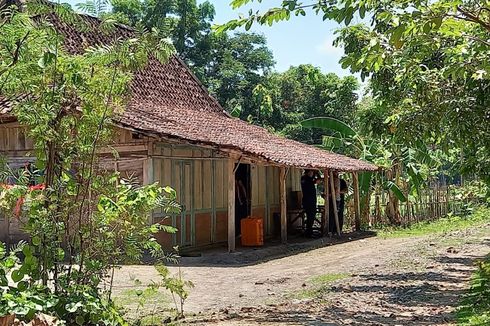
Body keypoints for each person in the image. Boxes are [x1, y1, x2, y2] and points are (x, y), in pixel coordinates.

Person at [301, 169, 319, 237]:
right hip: (309, 201)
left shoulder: (305, 178)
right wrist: (317, 173)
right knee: (310, 216)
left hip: (308, 200)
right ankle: (309, 232)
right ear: (308, 172)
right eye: (311, 172)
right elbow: (318, 180)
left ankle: (309, 231)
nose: (312, 173)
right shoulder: (307, 179)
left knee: (310, 216)